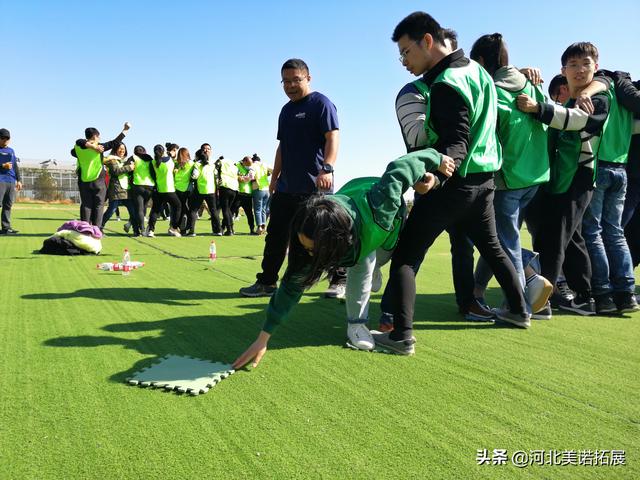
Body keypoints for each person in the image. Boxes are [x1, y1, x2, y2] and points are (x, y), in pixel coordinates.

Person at [372, 12, 530, 356]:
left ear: (427, 41)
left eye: (405, 52)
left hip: (453, 184)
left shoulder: (446, 83)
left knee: (404, 256)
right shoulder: (479, 72)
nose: (403, 62)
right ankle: (519, 311)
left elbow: (456, 141)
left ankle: (401, 335)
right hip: (485, 180)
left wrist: (436, 175)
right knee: (492, 247)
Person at [233, 149, 454, 368]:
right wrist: (263, 338)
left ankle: (372, 274)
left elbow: (400, 167)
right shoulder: (312, 236)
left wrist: (438, 159)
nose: (311, 256)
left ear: (335, 241)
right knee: (360, 264)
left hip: (387, 227)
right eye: (307, 248)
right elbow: (291, 287)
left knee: (369, 260)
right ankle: (357, 324)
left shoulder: (381, 203)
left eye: (315, 250)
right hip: (354, 225)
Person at [516, 42, 637, 314]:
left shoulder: (597, 97)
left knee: (570, 236)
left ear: (596, 66)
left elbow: (579, 122)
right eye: (573, 65)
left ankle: (557, 298)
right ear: (563, 70)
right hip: (589, 173)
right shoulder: (592, 96)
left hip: (585, 173)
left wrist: (539, 109)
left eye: (585, 64)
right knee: (586, 236)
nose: (580, 70)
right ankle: (600, 295)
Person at [240, 58, 341, 298]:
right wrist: (274, 178)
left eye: (296, 80)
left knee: (322, 237)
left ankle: (340, 279)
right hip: (286, 187)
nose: (291, 85)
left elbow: (332, 137)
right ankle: (267, 282)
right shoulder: (286, 110)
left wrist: (327, 168)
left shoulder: (321, 104)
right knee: (275, 237)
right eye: (286, 81)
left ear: (308, 78)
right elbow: (282, 147)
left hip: (315, 186)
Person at [468, 33, 553, 319]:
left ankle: (520, 307)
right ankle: (480, 292)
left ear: (481, 61)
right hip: (536, 177)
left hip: (508, 179)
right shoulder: (533, 85)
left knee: (504, 246)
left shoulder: (492, 90)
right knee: (497, 239)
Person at [71, 122, 130, 226]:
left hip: (84, 181)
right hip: (98, 181)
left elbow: (77, 143)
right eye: (99, 137)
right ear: (95, 136)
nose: (100, 139)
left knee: (86, 205)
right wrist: (125, 130)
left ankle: (85, 229)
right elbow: (115, 142)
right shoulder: (100, 147)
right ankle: (96, 230)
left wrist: (90, 146)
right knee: (99, 206)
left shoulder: (77, 147)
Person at [147, 144, 182, 237]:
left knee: (155, 210)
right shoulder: (169, 160)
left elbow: (153, 175)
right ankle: (173, 228)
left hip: (159, 189)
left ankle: (151, 230)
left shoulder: (153, 162)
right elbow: (173, 159)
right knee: (178, 206)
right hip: (169, 189)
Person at [101, 142, 136, 231]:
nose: (122, 151)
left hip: (127, 190)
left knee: (133, 212)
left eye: (123, 149)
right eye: (120, 149)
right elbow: (116, 171)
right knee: (111, 211)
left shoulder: (126, 160)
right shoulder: (111, 160)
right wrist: (130, 167)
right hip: (116, 190)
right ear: (115, 149)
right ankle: (99, 227)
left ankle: (136, 230)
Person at [188, 148, 222, 236]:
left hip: (200, 190)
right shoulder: (212, 164)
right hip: (211, 190)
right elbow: (216, 175)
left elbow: (194, 176)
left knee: (193, 210)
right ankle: (218, 230)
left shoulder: (197, 164)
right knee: (214, 211)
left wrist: (190, 178)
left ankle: (191, 231)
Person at [128, 146, 155, 237]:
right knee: (144, 207)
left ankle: (142, 229)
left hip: (138, 185)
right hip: (150, 186)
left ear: (135, 152)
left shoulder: (133, 158)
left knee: (138, 209)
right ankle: (142, 228)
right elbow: (153, 172)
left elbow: (128, 170)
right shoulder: (150, 159)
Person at [0, 128, 22, 234]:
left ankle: (6, 228)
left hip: (11, 181)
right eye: (3, 138)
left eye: (7, 138)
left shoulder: (11, 150)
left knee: (8, 205)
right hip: (0, 180)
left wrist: (19, 180)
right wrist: (2, 165)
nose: (5, 140)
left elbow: (15, 166)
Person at [174, 146, 195, 234]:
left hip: (177, 188)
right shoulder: (192, 163)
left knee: (181, 208)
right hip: (188, 188)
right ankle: (188, 226)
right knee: (187, 208)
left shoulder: (176, 163)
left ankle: (181, 228)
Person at [216, 155, 239, 236]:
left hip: (225, 186)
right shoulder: (233, 165)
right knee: (228, 209)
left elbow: (216, 172)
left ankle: (229, 229)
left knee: (225, 209)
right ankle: (231, 228)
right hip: (234, 188)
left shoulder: (221, 162)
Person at [234, 156, 257, 234]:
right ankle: (227, 228)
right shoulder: (236, 166)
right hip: (239, 193)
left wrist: (243, 178)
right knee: (231, 211)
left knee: (249, 214)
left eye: (250, 164)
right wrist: (239, 177)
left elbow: (248, 179)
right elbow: (234, 175)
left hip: (248, 194)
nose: (249, 166)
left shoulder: (251, 168)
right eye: (247, 164)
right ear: (243, 162)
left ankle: (252, 230)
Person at [250, 153, 272, 235]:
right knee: (264, 209)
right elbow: (274, 170)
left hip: (258, 188)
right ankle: (264, 227)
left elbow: (251, 175)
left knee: (257, 209)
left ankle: (259, 228)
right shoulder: (264, 165)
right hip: (267, 189)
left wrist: (251, 178)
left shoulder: (253, 165)